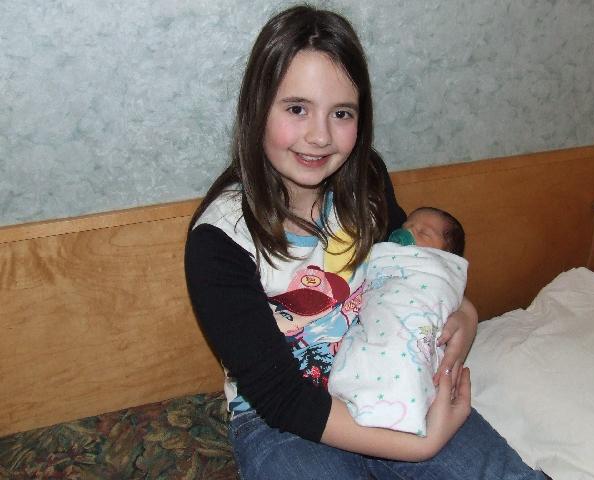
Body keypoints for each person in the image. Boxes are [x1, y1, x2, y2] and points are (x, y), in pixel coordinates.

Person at [184, 5, 546, 479]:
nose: (319, 136)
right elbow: (282, 399)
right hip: (282, 420)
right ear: (257, 109)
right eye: (296, 109)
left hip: (390, 376)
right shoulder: (219, 241)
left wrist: (467, 312)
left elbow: (411, 263)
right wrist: (419, 446)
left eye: (341, 113)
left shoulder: (365, 181)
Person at [328, 207, 468, 437]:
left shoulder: (434, 269)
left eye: (423, 233)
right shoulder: (383, 256)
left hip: (411, 333)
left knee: (406, 360)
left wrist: (466, 316)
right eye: (406, 226)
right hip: (373, 329)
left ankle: (403, 405)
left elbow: (443, 290)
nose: (408, 231)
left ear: (445, 256)